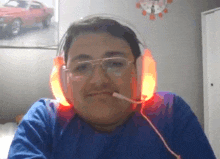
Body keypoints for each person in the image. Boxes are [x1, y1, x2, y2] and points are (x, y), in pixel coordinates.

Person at [8, 15, 216, 159]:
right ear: (64, 80)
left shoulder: (170, 111)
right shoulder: (44, 119)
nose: (98, 80)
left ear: (141, 72)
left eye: (115, 63)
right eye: (82, 66)